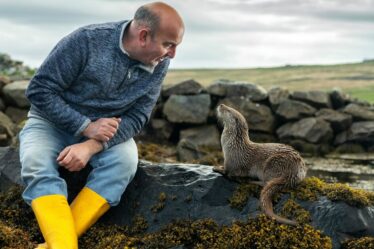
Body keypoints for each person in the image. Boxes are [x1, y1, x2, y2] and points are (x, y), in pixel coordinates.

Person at [19, 2, 184, 248]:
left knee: (125, 163)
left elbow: (139, 116)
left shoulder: (160, 61)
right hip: (49, 124)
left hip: (106, 133)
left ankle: (59, 243)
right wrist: (85, 126)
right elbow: (39, 90)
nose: (172, 54)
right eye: (168, 45)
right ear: (143, 35)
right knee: (35, 162)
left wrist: (91, 145)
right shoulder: (85, 41)